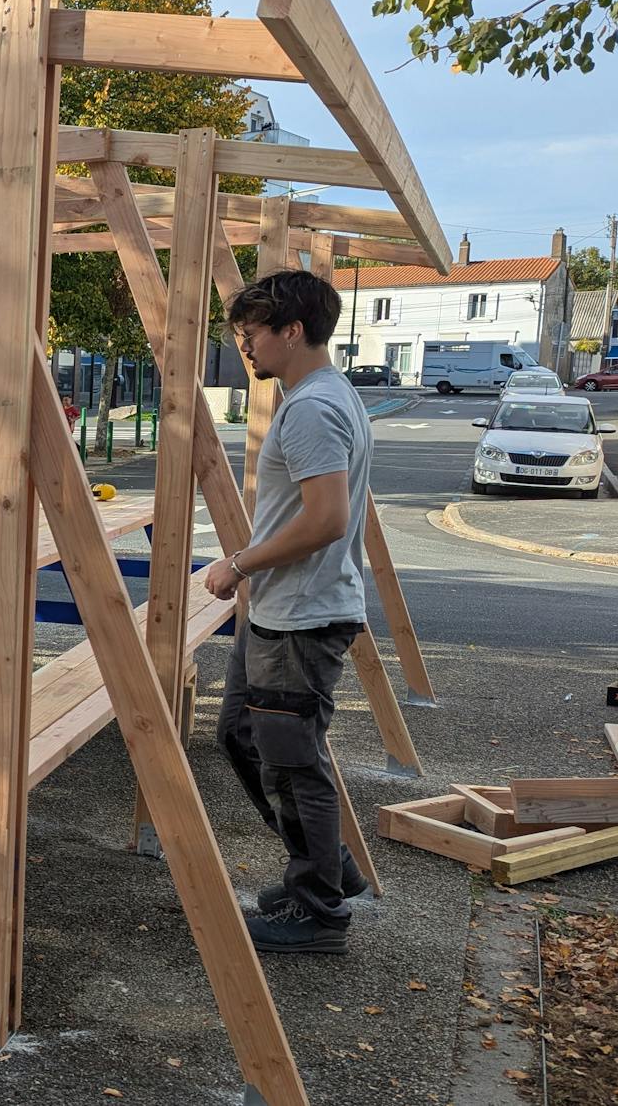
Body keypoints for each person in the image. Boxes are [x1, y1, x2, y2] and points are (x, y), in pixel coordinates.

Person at [204, 269, 372, 956]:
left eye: (252, 334)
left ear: (292, 330)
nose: (245, 347)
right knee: (242, 735)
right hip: (281, 611)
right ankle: (325, 867)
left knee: (294, 766)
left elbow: (327, 519)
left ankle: (319, 911)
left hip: (301, 617)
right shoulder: (325, 395)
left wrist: (239, 564)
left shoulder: (311, 409)